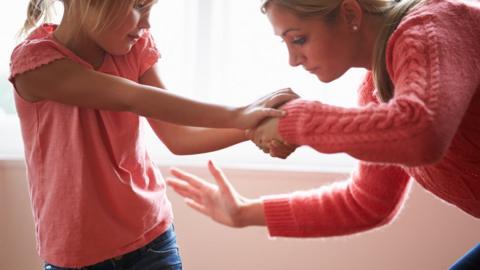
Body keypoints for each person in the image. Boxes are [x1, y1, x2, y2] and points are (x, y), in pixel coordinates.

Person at [166, 0, 480, 268]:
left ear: (350, 14)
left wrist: (295, 120)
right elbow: (367, 202)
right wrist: (244, 212)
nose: (292, 60)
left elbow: (421, 132)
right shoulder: (377, 87)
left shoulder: (433, 27)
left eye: (298, 39)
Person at [8, 0, 299, 269]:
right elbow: (131, 97)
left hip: (152, 242)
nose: (146, 23)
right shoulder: (35, 62)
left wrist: (257, 126)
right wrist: (242, 113)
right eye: (138, 6)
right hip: (75, 256)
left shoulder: (135, 46)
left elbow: (180, 136)